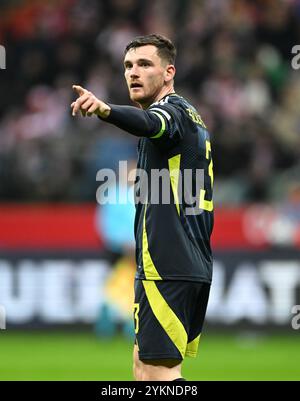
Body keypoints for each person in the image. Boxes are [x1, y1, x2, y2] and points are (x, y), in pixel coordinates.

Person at [71, 34, 214, 381]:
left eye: (145, 64)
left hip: (168, 264)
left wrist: (105, 110)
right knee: (144, 367)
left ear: (169, 72)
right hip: (181, 262)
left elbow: (153, 124)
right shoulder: (192, 117)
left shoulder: (171, 113)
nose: (133, 72)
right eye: (128, 66)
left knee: (159, 375)